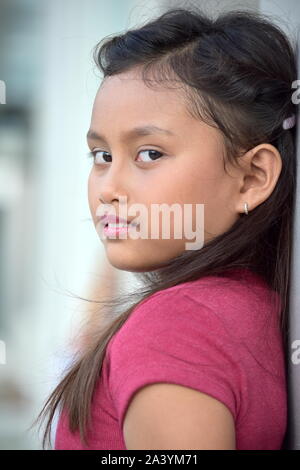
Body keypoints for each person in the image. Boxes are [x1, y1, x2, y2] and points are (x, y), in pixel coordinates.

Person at [31, 6, 297, 450]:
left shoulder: (178, 326)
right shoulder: (250, 306)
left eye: (150, 154)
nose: (108, 188)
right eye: (101, 156)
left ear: (251, 178)